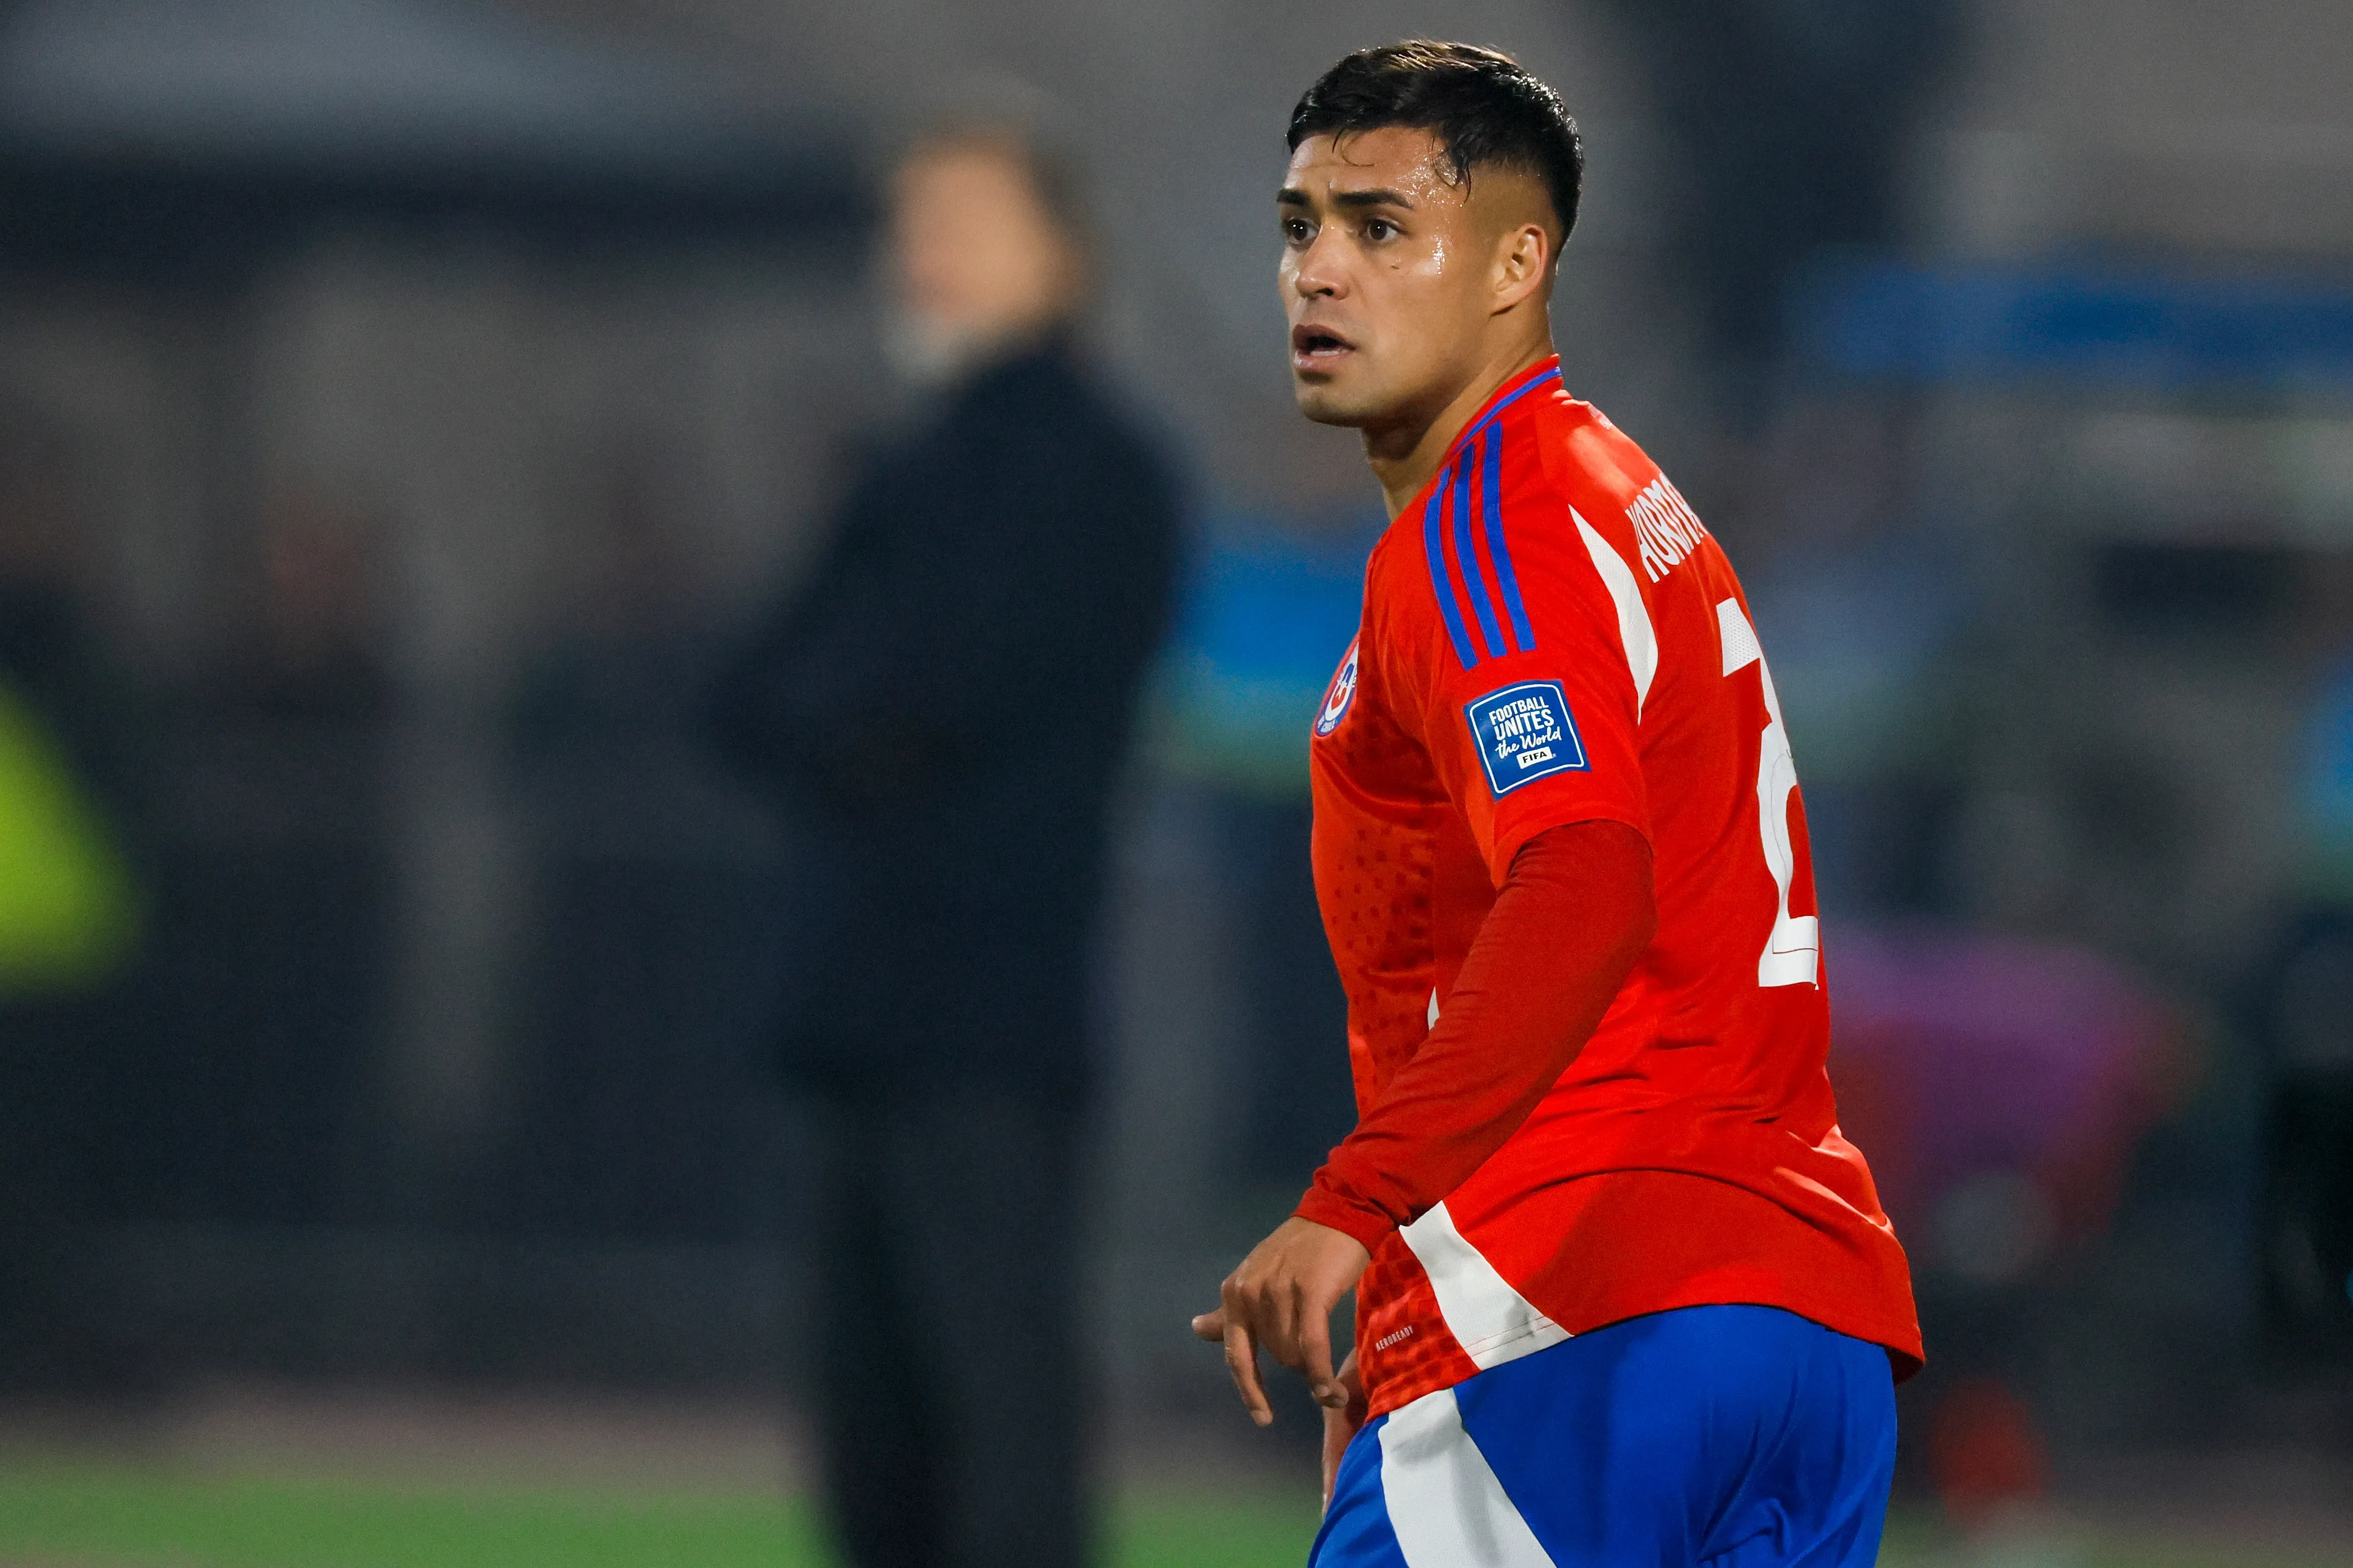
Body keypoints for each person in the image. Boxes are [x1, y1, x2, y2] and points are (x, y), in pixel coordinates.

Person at [1188, 43, 1922, 1565]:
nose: (1321, 269)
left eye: (1382, 228)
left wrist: (1359, 1209)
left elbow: (1585, 871)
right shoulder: (1615, 492)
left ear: (1519, 264)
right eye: (1301, 226)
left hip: (1584, 1303)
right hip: (1801, 1319)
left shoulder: (1489, 526)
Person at [707, 120, 1180, 1568]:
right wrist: (853, 718)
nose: (925, 257)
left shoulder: (1084, 472)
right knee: (881, 1426)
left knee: (992, 1412)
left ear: (1065, 255)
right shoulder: (923, 466)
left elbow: (909, 692)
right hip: (881, 1009)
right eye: (914, 225)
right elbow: (759, 699)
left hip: (985, 1012)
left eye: (966, 223)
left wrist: (854, 717)